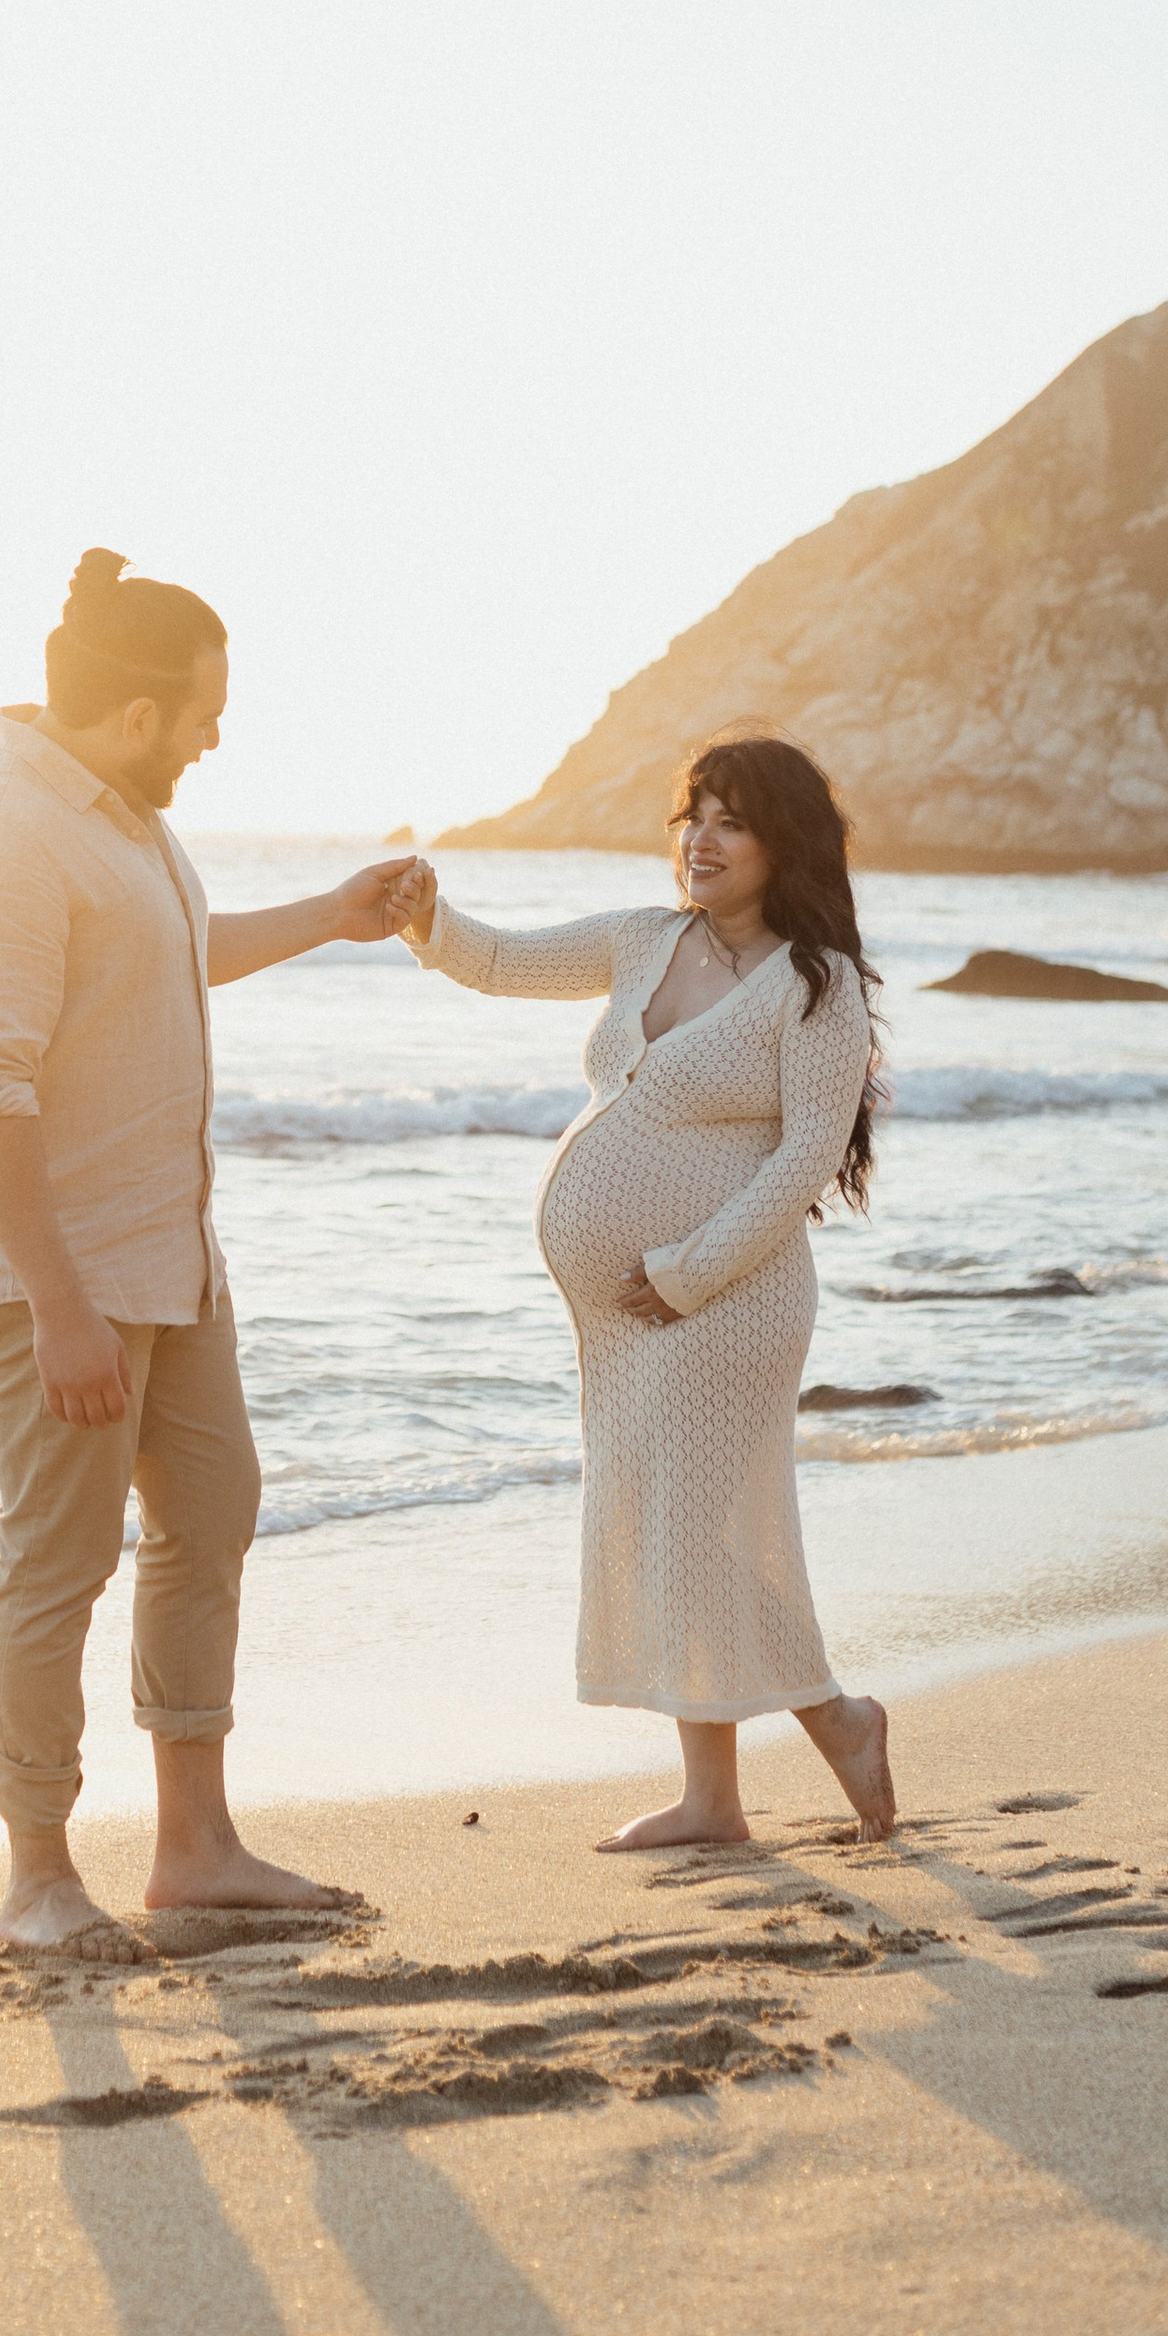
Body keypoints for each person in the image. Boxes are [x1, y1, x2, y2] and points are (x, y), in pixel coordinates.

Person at [0, 548, 426, 1954]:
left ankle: (195, 1850)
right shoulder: (0, 831)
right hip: (62, 1271)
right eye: (204, 712)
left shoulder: (128, 823)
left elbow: (169, 952)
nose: (215, 736)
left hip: (170, 1252)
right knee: (59, 1560)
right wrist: (58, 1307)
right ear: (138, 715)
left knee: (211, 1512)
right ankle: (35, 1875)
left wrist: (333, 914)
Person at [394, 737, 896, 1848]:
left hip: (730, 1297)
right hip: (632, 1316)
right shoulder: (641, 940)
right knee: (677, 1531)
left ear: (783, 843)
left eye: (731, 821)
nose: (701, 841)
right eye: (691, 817)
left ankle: (825, 1729)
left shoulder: (815, 986)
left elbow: (806, 1156)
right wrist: (427, 914)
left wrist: (684, 1272)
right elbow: (499, 961)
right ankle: (732, 1787)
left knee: (688, 1525)